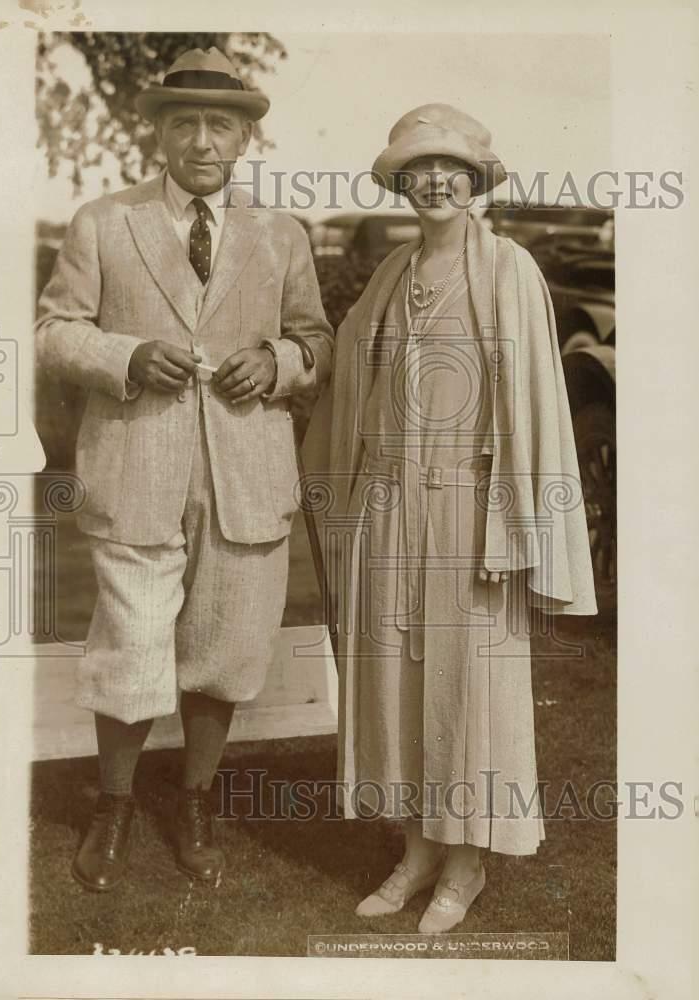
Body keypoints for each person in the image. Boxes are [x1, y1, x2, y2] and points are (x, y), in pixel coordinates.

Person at [36, 47, 333, 891]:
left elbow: (318, 340)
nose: (203, 141)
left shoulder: (280, 234)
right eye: (185, 124)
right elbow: (54, 333)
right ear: (159, 134)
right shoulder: (103, 221)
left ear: (245, 139)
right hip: (136, 467)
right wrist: (127, 356)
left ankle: (196, 800)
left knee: (227, 645)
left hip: (246, 471)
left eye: (221, 125)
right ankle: (114, 805)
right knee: (130, 645)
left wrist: (275, 362)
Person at [301, 104, 596, 932]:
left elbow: (533, 407)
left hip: (472, 514)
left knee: (470, 689)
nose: (433, 181)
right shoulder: (393, 273)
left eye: (450, 169)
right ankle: (418, 849)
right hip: (390, 510)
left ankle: (467, 865)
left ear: (474, 183)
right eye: (418, 169)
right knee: (398, 683)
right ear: (399, 181)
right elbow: (343, 372)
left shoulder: (508, 270)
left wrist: (516, 525)